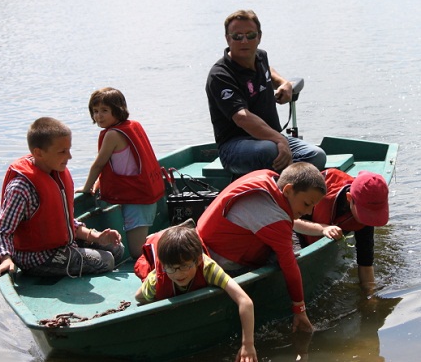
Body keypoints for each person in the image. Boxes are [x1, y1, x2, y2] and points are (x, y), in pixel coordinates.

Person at [197, 162, 328, 333]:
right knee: (290, 259)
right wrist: (299, 309)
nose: (310, 212)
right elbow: (289, 265)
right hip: (220, 260)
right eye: (306, 204)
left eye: (313, 206)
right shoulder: (273, 217)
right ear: (287, 190)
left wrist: (321, 228)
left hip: (209, 238)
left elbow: (284, 222)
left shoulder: (267, 176)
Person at [0, 117, 125, 282]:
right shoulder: (21, 188)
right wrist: (5, 259)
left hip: (62, 244)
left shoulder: (56, 173)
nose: (69, 156)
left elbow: (66, 222)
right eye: (62, 151)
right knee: (107, 260)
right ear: (38, 153)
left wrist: (96, 236)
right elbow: (1, 231)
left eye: (69, 149)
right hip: (38, 257)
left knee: (117, 248)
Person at [205, 9, 327, 175]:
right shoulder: (220, 75)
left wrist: (284, 83)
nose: (244, 41)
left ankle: (290, 183)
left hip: (272, 138)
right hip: (235, 147)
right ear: (228, 38)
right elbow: (242, 117)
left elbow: (269, 70)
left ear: (259, 37)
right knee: (270, 151)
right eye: (237, 36)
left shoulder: (260, 57)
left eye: (250, 35)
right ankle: (285, 186)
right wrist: (279, 139)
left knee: (316, 156)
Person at [135, 223, 257, 362]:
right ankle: (156, 236)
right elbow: (139, 298)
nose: (178, 274)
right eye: (172, 269)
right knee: (143, 265)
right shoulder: (157, 279)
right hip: (158, 249)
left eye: (184, 267)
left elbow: (245, 301)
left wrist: (248, 345)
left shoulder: (208, 269)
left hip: (181, 250)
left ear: (198, 260)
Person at [77, 87, 165, 259]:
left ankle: (175, 241)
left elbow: (98, 165)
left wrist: (87, 188)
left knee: (136, 252)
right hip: (144, 193)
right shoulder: (132, 126)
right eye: (95, 111)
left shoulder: (112, 135)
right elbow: (122, 164)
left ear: (118, 111)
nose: (98, 116)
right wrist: (99, 182)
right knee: (139, 246)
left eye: (104, 111)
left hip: (137, 199)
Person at [294, 169, 389, 293]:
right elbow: (291, 222)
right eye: (366, 214)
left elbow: (365, 261)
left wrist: (370, 294)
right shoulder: (318, 197)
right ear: (350, 198)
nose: (368, 220)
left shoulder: (364, 216)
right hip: (298, 226)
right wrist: (323, 228)